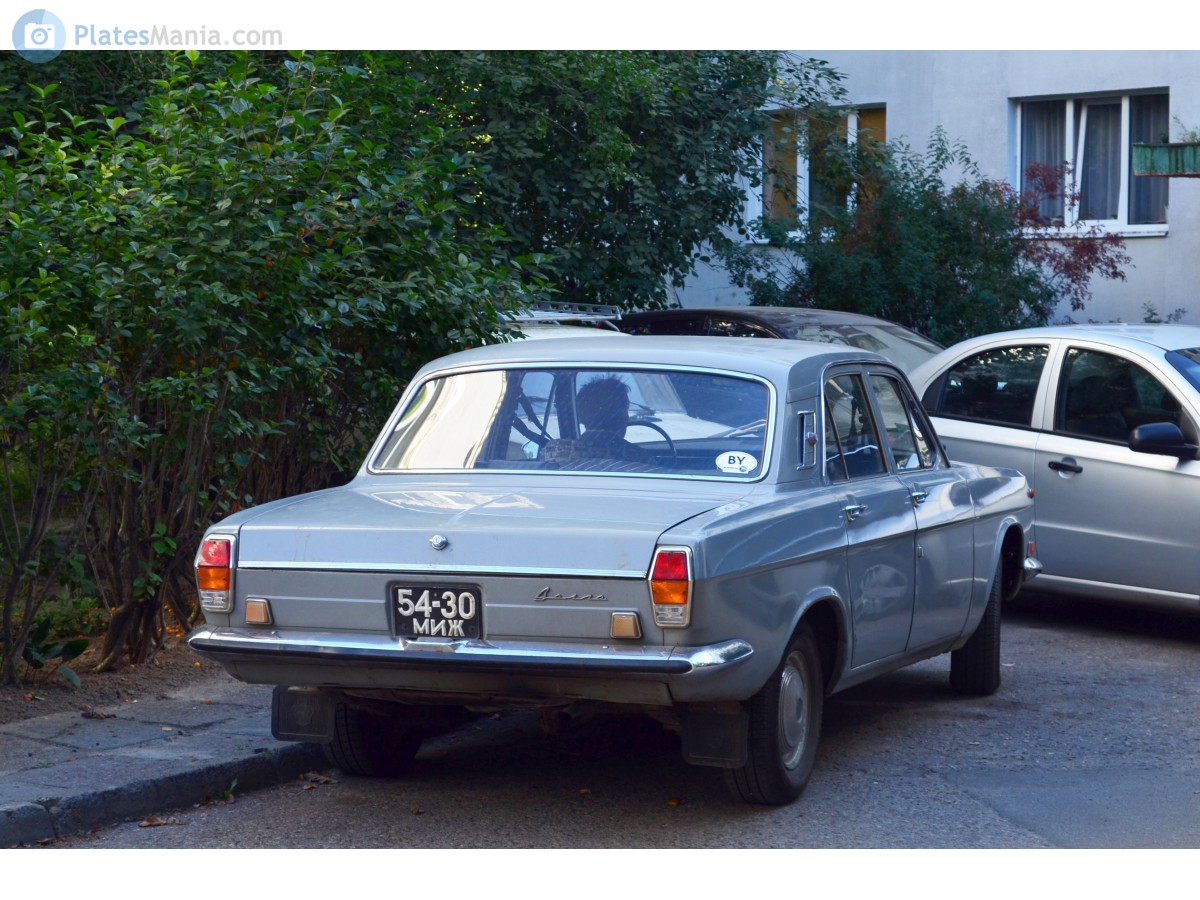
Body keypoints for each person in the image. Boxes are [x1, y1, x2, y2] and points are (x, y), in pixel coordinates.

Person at [541, 375, 656, 466]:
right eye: (626, 410)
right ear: (621, 417)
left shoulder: (553, 450)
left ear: (581, 416)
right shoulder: (638, 458)